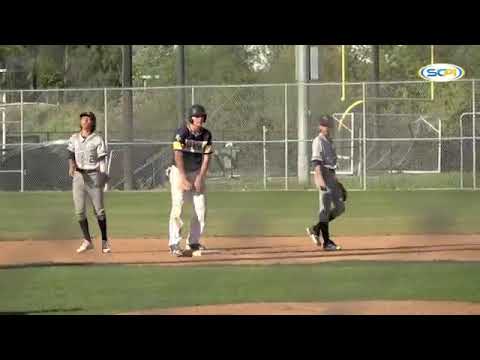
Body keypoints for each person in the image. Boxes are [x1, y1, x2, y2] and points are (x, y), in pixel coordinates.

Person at [168, 104, 213, 257]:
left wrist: (200, 177)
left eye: (202, 116)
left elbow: (206, 158)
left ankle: (193, 241)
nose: (200, 119)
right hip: (179, 171)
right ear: (191, 118)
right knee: (178, 205)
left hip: (196, 172)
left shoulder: (206, 135)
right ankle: (174, 243)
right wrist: (182, 177)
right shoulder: (182, 133)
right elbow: (177, 155)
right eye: (197, 116)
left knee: (201, 208)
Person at [67, 111, 111, 254]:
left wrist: (103, 174)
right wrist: (71, 165)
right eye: (83, 119)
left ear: (92, 122)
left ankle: (104, 241)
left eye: (88, 119)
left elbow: (101, 159)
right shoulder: (74, 138)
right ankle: (87, 240)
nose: (85, 121)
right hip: (79, 176)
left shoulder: (97, 139)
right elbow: (70, 153)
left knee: (99, 211)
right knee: (79, 211)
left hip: (93, 175)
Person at [306, 115, 344, 251]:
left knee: (340, 208)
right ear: (320, 126)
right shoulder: (318, 141)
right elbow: (316, 163)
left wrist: (337, 183)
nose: (327, 128)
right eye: (324, 125)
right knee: (325, 210)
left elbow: (332, 165)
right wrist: (320, 180)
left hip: (331, 177)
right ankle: (327, 242)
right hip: (323, 175)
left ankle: (315, 229)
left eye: (329, 125)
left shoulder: (330, 141)